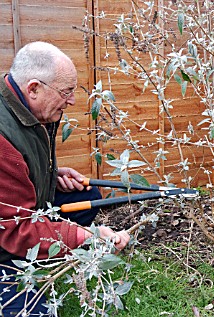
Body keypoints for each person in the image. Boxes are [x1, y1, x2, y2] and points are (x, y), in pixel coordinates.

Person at [0, 41, 130, 316]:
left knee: (87, 198)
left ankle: (41, 253)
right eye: (66, 92)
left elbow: (17, 166)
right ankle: (14, 270)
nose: (71, 101)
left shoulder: (20, 103)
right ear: (34, 88)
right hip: (7, 232)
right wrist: (87, 237)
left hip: (14, 212)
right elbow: (15, 228)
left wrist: (49, 174)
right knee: (35, 312)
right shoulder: (2, 138)